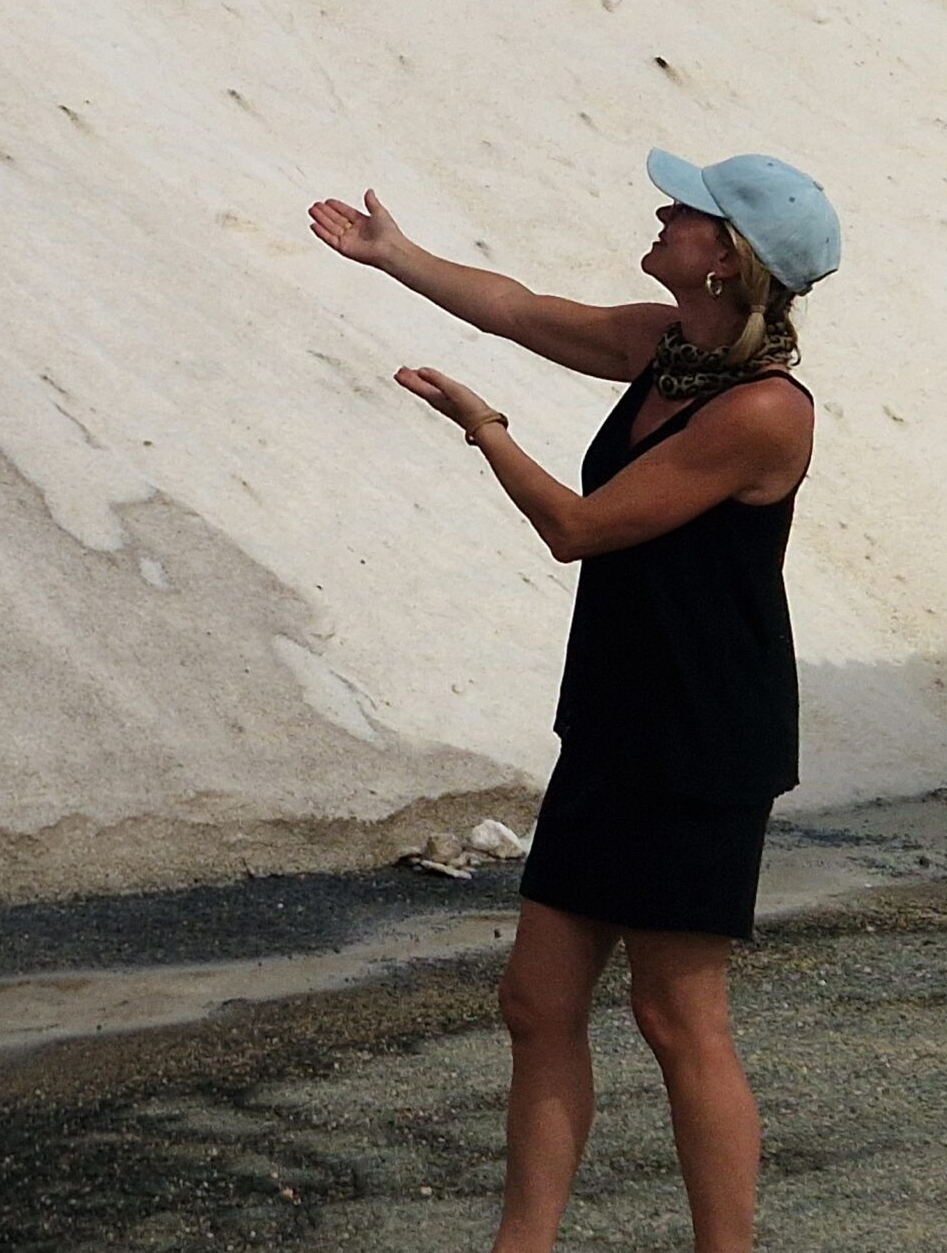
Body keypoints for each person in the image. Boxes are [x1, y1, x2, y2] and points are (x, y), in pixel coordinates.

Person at [307, 150, 841, 1253]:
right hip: (614, 715)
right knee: (535, 1002)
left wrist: (485, 429)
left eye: (685, 210)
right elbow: (514, 308)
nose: (660, 210)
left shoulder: (764, 412)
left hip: (704, 736)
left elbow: (577, 530)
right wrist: (392, 255)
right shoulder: (665, 346)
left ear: (727, 256)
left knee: (676, 1017)